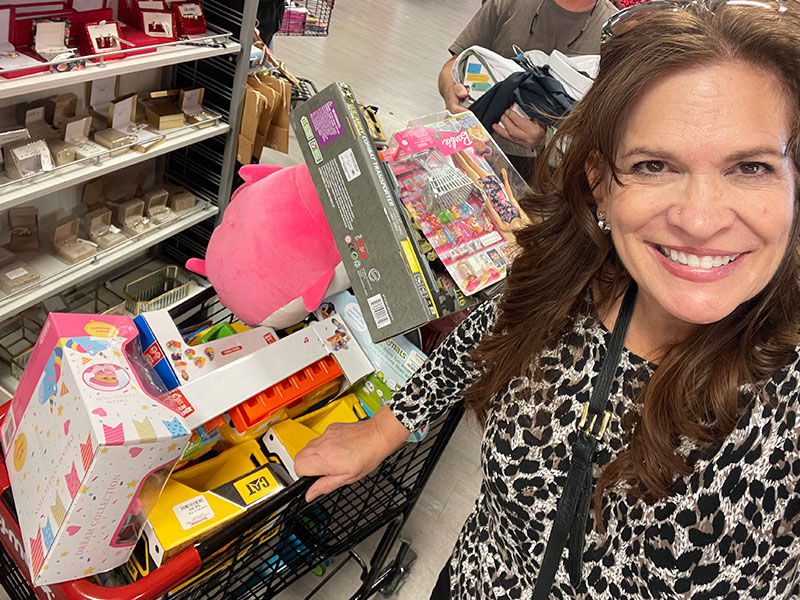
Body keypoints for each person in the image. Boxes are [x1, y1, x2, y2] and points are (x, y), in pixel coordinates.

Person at [295, 0, 800, 598]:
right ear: (600, 183)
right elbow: (493, 324)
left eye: (750, 167)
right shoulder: (573, 280)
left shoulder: (782, 406)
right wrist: (387, 426)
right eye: (653, 163)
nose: (699, 218)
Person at [438, 0, 618, 173]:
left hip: (547, 179)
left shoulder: (617, 31)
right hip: (472, 145)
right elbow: (454, 63)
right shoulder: (507, 3)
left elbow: (608, 132)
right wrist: (451, 94)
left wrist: (546, 140)